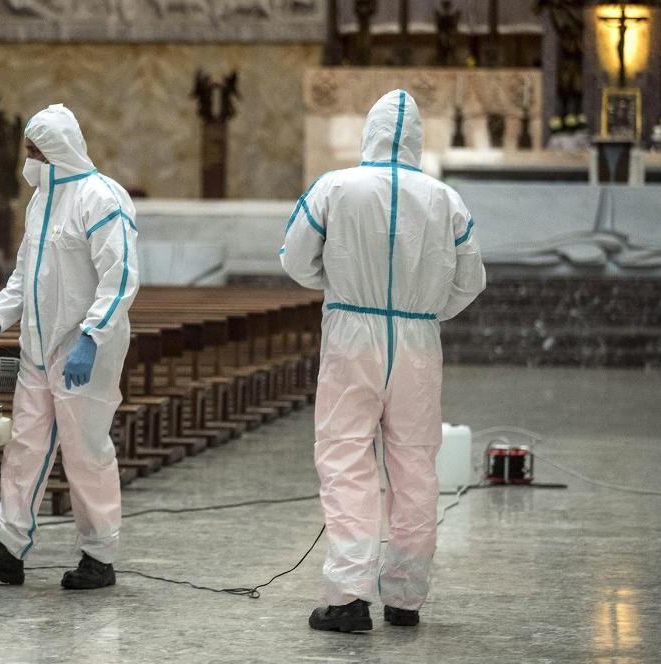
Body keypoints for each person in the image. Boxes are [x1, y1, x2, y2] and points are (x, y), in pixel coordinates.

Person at [280, 89, 485, 632]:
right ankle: (406, 597)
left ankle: (349, 597)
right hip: (417, 339)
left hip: (352, 333)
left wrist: (340, 284)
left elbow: (295, 258)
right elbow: (471, 281)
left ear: (369, 132)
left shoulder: (335, 186)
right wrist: (425, 310)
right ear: (417, 139)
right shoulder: (446, 200)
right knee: (415, 464)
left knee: (345, 456)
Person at [0, 104, 139, 590]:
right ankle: (7, 548)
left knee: (86, 451)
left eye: (34, 151)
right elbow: (25, 274)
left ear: (57, 151)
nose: (27, 160)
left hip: (83, 348)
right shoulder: (40, 200)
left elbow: (121, 278)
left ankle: (99, 556)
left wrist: (92, 338)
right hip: (36, 345)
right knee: (25, 446)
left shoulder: (101, 198)